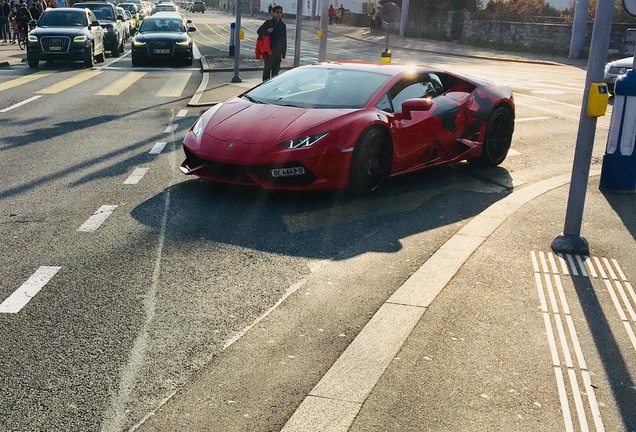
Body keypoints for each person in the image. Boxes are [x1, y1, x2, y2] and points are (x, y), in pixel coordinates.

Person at [257, 4, 286, 81]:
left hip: (278, 51)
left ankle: (273, 86)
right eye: (277, 12)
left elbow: (284, 39)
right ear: (273, 13)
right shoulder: (269, 23)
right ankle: (265, 85)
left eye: (280, 12)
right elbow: (259, 31)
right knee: (267, 69)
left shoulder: (282, 25)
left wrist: (283, 52)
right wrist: (267, 31)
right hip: (269, 50)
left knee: (276, 70)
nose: (279, 14)